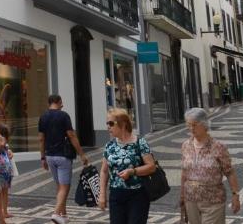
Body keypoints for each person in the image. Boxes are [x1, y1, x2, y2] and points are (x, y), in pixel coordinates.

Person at [180, 107, 241, 224]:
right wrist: (182, 195)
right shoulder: (185, 146)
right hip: (191, 199)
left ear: (204, 124)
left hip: (213, 200)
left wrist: (235, 195)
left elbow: (230, 172)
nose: (191, 128)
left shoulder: (218, 147)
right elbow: (184, 172)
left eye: (194, 125)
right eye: (188, 125)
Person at [38, 94, 90, 224]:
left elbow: (41, 138)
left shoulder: (43, 117)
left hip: (49, 156)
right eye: (62, 102)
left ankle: (64, 214)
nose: (63, 104)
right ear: (58, 101)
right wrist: (82, 154)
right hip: (63, 156)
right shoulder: (64, 116)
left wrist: (42, 157)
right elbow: (71, 135)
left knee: (60, 186)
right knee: (65, 186)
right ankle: (56, 213)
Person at [98, 108, 156, 224]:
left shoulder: (140, 143)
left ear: (123, 124)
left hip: (138, 195)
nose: (108, 127)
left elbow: (151, 166)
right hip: (116, 195)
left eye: (111, 123)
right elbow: (104, 171)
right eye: (107, 123)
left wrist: (132, 171)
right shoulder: (109, 146)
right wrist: (102, 195)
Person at [0, 124, 16, 221]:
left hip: (1, 169)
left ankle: (2, 212)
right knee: (4, 192)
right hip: (6, 169)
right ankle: (4, 212)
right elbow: (8, 155)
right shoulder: (3, 143)